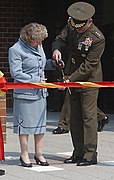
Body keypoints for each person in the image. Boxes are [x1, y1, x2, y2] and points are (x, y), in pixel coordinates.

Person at [52, 2, 105, 166]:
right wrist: (56, 49)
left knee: (88, 116)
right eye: (75, 26)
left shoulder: (97, 38)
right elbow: (59, 39)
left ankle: (90, 155)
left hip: (89, 78)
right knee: (74, 116)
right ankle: (78, 152)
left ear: (89, 21)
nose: (77, 30)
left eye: (81, 27)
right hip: (71, 74)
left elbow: (89, 65)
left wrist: (71, 78)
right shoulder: (71, 25)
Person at [8, 23, 63, 167]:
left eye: (41, 41)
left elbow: (41, 64)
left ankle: (39, 154)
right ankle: (24, 154)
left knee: (40, 126)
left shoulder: (37, 46)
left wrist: (54, 64)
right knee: (24, 126)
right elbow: (16, 73)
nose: (40, 43)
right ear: (28, 38)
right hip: (25, 93)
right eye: (38, 41)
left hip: (40, 93)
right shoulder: (15, 50)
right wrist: (35, 80)